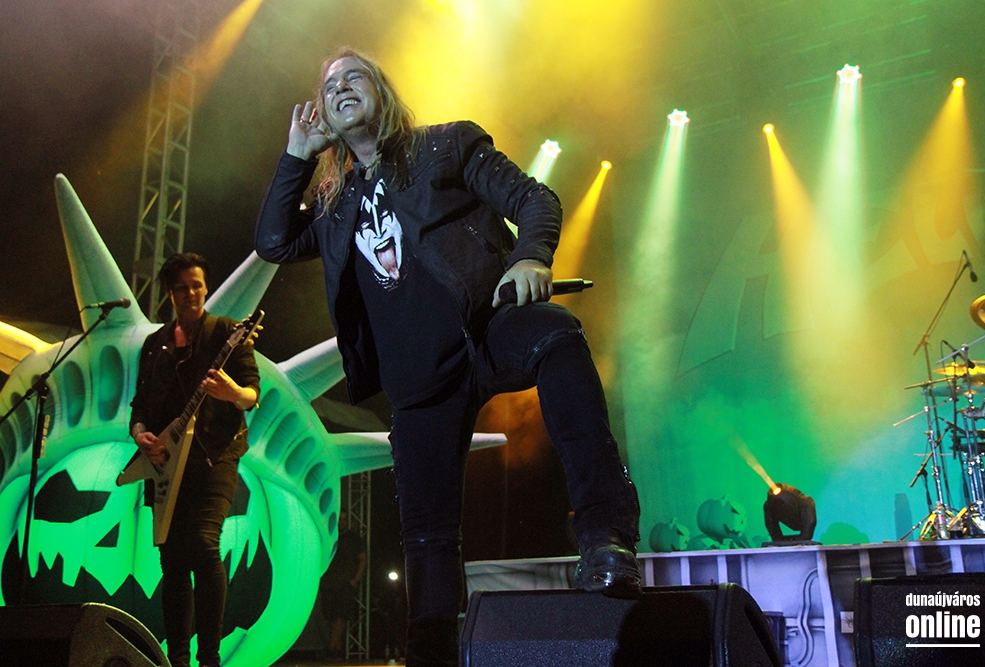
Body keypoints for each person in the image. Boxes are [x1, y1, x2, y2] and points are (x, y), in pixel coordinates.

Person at [255, 48, 640, 666]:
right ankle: (430, 648)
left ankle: (605, 538)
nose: (341, 87)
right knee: (427, 535)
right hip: (419, 380)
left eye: (354, 76)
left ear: (382, 91)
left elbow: (536, 198)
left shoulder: (445, 146)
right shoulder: (334, 204)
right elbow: (273, 242)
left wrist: (530, 257)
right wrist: (296, 156)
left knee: (558, 336)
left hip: (486, 331)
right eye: (329, 86)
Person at [129, 252, 260, 667]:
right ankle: (179, 659)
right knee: (172, 562)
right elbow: (139, 405)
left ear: (206, 287)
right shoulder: (154, 345)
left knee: (203, 545)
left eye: (197, 285)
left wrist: (232, 393)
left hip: (213, 457)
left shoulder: (226, 333)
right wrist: (140, 433)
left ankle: (209, 659)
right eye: (182, 288)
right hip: (164, 463)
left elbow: (251, 394)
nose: (191, 293)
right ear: (170, 293)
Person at [320, 514, 367, 660]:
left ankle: (331, 647)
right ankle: (337, 649)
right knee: (330, 616)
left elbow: (362, 558)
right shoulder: (328, 535)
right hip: (328, 582)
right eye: (340, 519)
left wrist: (355, 579)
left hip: (346, 583)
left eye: (344, 519)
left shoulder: (353, 538)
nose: (342, 522)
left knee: (341, 615)